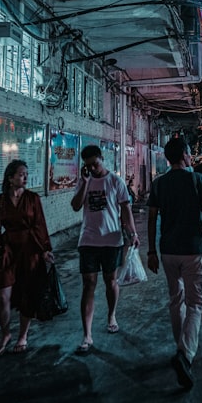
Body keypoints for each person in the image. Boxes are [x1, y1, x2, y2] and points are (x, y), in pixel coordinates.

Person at [146, 138, 202, 390]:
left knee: (176, 299)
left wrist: (151, 250)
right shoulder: (197, 180)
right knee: (195, 304)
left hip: (168, 251)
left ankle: (181, 346)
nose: (192, 157)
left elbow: (151, 220)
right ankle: (185, 353)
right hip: (194, 250)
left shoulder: (158, 184)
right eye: (190, 153)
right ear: (184, 154)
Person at [70, 144, 138, 355]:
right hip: (88, 240)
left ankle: (111, 315)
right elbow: (75, 206)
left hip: (111, 240)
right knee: (88, 284)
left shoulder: (115, 181)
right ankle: (87, 334)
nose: (92, 169)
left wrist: (133, 233)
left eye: (95, 164)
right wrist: (85, 182)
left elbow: (126, 209)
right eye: (88, 166)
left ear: (102, 159)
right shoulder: (85, 181)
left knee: (110, 281)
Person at [0, 159, 54, 356]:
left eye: (26, 174)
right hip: (9, 250)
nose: (25, 177)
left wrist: (45, 249)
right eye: (21, 174)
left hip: (30, 249)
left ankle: (23, 335)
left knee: (27, 293)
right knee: (2, 295)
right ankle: (5, 333)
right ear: (10, 178)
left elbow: (40, 224)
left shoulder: (32, 199)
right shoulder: (1, 201)